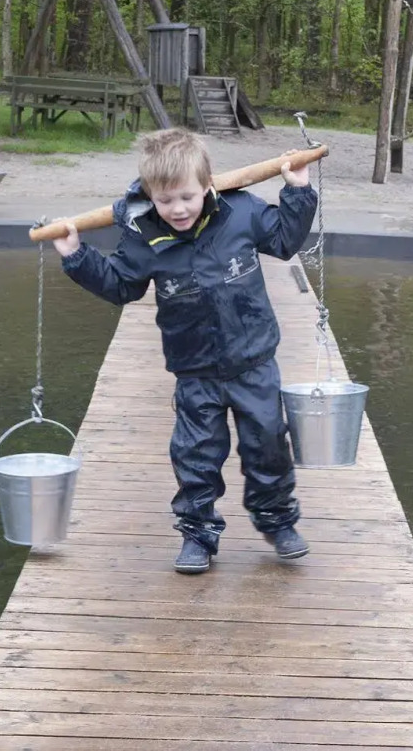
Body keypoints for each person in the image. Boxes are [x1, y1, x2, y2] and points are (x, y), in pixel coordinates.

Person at [53, 129, 317, 574]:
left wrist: (298, 190)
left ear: (209, 184)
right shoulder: (143, 236)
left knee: (268, 445)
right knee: (195, 454)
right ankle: (198, 534)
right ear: (150, 196)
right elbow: (121, 285)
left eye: (187, 197)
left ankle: (277, 522)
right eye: (166, 200)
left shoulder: (242, 212)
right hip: (194, 369)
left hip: (254, 362)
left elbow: (286, 240)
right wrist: (78, 257)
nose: (177, 209)